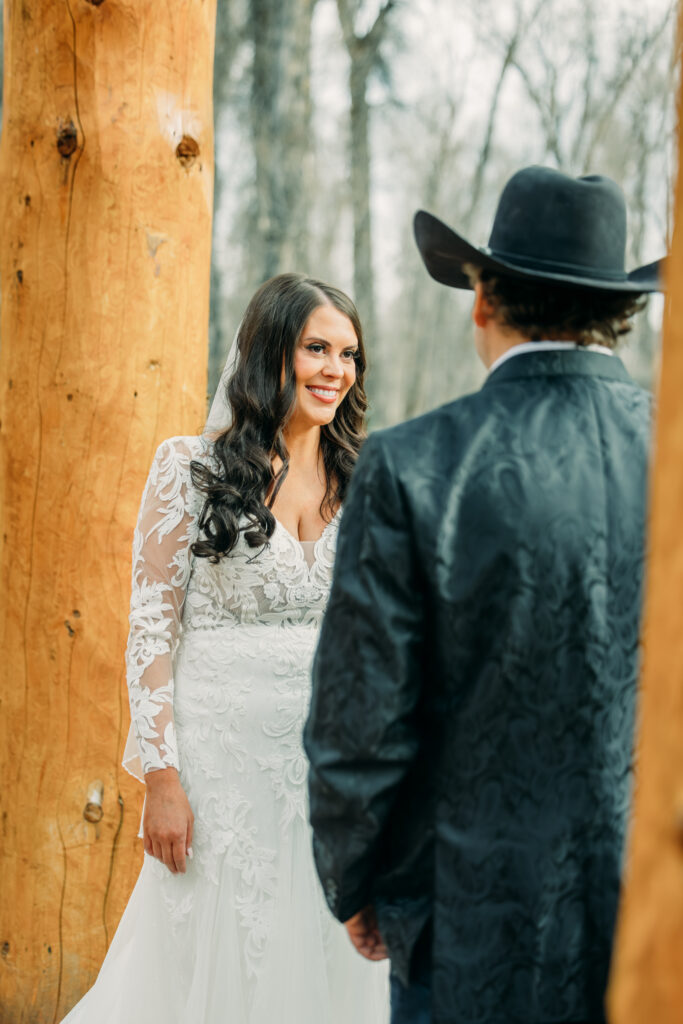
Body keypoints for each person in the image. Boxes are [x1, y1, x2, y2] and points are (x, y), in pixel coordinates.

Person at [304, 166, 664, 1024]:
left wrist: (355, 880)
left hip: (467, 925)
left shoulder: (412, 465)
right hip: (660, 920)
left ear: (480, 300)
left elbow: (361, 720)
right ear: (618, 313)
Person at [61, 273, 389, 1024]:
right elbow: (150, 627)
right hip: (217, 775)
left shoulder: (363, 477)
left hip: (328, 769)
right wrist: (161, 779)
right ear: (272, 350)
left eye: (348, 354)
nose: (335, 370)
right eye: (316, 348)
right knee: (206, 964)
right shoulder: (190, 468)